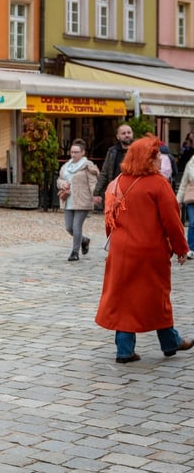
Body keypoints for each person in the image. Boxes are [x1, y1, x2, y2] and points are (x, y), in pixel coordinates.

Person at [95, 135, 193, 364]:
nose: (161, 161)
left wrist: (115, 242)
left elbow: (109, 218)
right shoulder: (158, 184)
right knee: (156, 297)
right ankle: (170, 342)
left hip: (120, 251)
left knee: (124, 299)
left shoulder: (117, 181)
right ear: (146, 159)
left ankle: (125, 350)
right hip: (150, 251)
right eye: (157, 157)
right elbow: (172, 221)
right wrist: (181, 249)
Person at [56, 139, 99, 261]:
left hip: (83, 200)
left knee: (76, 226)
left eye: (76, 152)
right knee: (69, 227)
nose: (73, 154)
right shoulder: (66, 166)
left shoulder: (87, 166)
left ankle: (75, 252)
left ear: (83, 152)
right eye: (72, 152)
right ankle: (84, 240)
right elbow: (59, 180)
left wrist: (95, 195)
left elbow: (93, 182)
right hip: (68, 199)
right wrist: (63, 184)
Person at [93, 123, 134, 206]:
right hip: (115, 191)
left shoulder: (139, 150)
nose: (127, 135)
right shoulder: (112, 152)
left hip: (133, 191)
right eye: (123, 133)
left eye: (129, 133)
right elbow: (105, 173)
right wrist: (96, 192)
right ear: (118, 136)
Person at [176, 156, 194, 259]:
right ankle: (191, 249)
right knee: (192, 223)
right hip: (192, 199)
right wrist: (177, 201)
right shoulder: (191, 163)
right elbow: (183, 184)